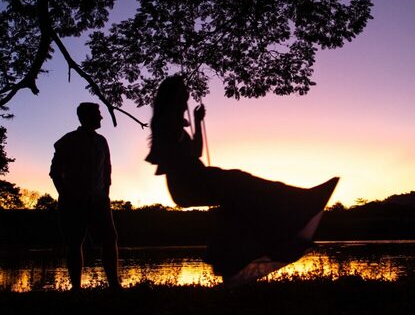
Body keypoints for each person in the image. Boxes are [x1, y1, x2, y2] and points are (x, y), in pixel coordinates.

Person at [145, 75, 339, 285]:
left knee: (238, 201)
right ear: (174, 99)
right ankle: (298, 203)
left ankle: (230, 263)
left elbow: (196, 151)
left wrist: (197, 122)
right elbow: (175, 151)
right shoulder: (165, 125)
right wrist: (178, 119)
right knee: (241, 182)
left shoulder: (175, 127)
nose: (186, 101)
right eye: (183, 97)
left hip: (197, 179)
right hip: (189, 184)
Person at [50, 102, 120, 289]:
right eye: (97, 114)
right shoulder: (67, 141)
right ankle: (76, 288)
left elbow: (107, 170)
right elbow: (55, 172)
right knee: (74, 243)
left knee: (110, 239)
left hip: (99, 200)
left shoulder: (102, 141)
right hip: (73, 201)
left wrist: (105, 195)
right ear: (85, 117)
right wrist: (66, 195)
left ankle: (114, 285)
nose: (101, 117)